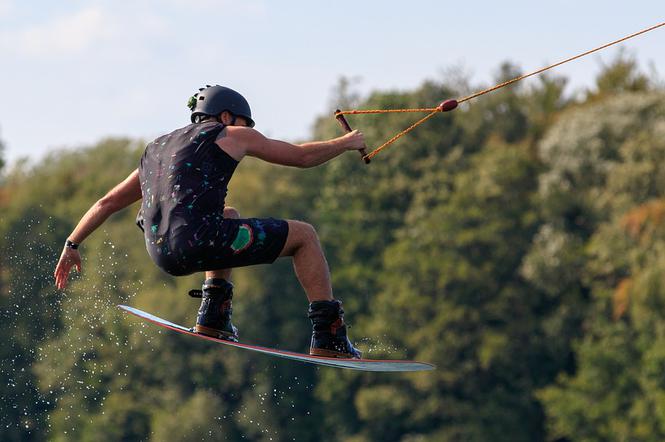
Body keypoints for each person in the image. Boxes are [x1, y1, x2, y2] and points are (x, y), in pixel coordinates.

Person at [54, 85, 366, 359]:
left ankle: (213, 315)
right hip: (199, 241)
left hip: (162, 253)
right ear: (227, 116)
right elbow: (300, 157)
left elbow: (106, 202)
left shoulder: (158, 150)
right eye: (245, 124)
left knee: (228, 216)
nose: (248, 132)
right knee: (305, 236)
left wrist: (72, 244)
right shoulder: (230, 135)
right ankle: (330, 334)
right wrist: (346, 143)